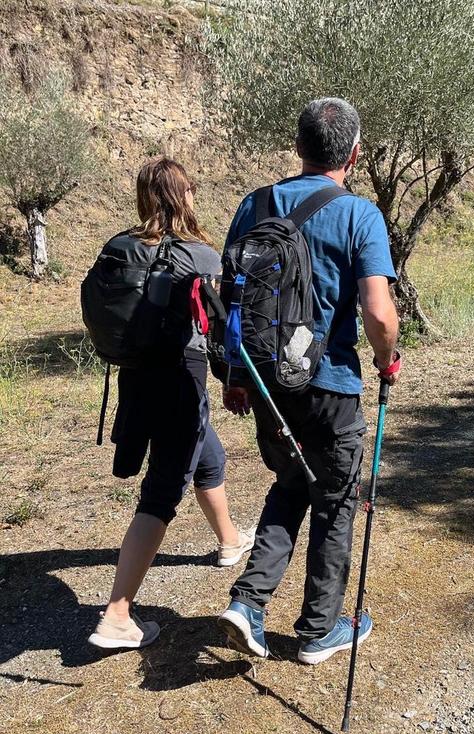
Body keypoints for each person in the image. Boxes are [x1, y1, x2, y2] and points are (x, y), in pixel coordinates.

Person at [218, 98, 401, 665]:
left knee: (291, 485)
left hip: (268, 383)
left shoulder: (256, 205)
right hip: (330, 386)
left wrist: (235, 375)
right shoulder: (360, 215)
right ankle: (320, 632)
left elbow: (230, 298)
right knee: (336, 499)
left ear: (298, 148)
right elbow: (378, 312)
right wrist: (387, 359)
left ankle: (248, 604)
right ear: (355, 152)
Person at [88, 156, 255, 651]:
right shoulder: (197, 255)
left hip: (135, 377)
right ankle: (117, 614)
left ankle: (229, 540)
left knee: (209, 456)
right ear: (184, 196)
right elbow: (227, 325)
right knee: (163, 489)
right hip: (181, 379)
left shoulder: (118, 247)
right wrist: (236, 379)